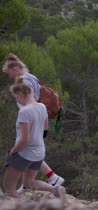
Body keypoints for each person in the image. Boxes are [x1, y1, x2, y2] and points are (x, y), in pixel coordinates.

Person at [2, 53, 64, 190]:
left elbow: (30, 100)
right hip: (39, 117)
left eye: (9, 73)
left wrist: (12, 151)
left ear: (14, 69)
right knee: (33, 151)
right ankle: (48, 178)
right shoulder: (33, 77)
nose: (10, 77)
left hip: (29, 119)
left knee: (25, 149)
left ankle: (51, 177)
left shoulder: (23, 81)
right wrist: (44, 132)